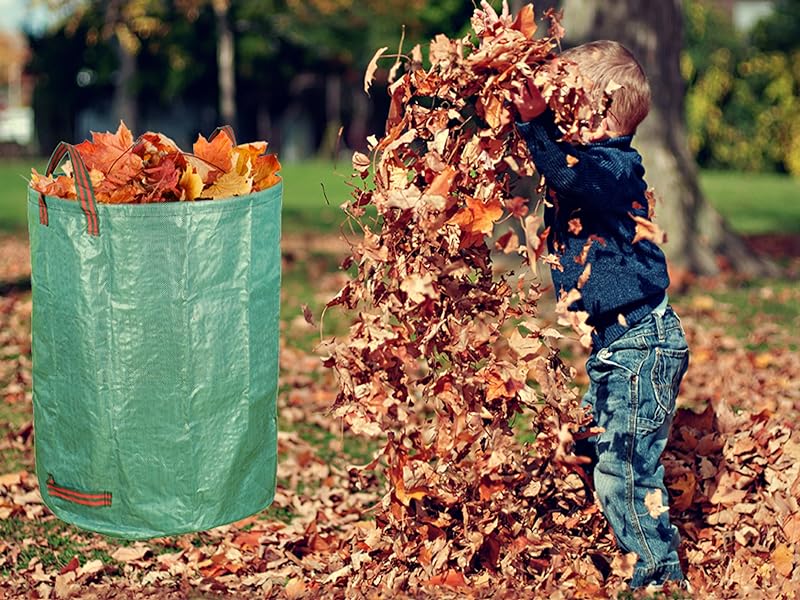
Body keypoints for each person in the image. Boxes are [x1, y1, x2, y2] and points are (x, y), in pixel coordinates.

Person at [511, 39, 691, 591]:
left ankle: (658, 574)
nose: (559, 115)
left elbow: (567, 176)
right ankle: (621, 533)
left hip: (642, 346)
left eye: (569, 106)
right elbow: (558, 174)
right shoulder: (591, 163)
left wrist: (536, 126)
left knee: (626, 469)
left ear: (597, 113)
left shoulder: (613, 168)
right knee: (594, 442)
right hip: (619, 347)